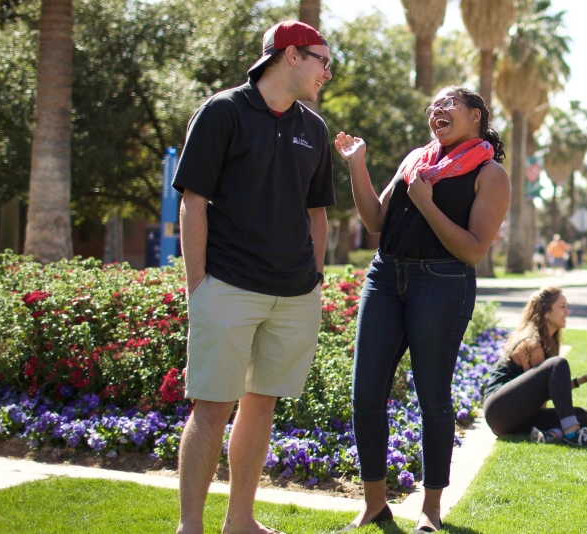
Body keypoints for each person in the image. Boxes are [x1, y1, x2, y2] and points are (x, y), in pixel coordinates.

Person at [172, 20, 334, 534]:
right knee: (212, 407)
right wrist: (198, 286)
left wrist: (316, 277)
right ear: (290, 55)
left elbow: (317, 215)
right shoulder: (222, 112)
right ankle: (190, 528)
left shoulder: (315, 128)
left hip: (294, 294)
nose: (327, 73)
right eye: (321, 61)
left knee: (260, 405)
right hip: (228, 285)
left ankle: (240, 520)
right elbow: (192, 202)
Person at [333, 86, 511, 533]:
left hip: (443, 283)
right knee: (366, 393)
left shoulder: (490, 174)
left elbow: (472, 251)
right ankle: (374, 504)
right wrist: (357, 163)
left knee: (433, 397)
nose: (437, 110)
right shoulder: (416, 160)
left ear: (476, 116)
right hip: (385, 278)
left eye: (448, 104)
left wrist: (427, 205)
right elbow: (375, 221)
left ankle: (430, 511)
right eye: (433, 106)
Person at [482, 287, 587, 445]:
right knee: (558, 364)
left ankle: (552, 434)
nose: (568, 312)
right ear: (546, 313)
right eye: (562, 307)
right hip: (498, 410)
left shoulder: (549, 341)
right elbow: (541, 396)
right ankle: (572, 435)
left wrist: (582, 380)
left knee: (585, 415)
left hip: (516, 417)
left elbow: (548, 392)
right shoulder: (532, 343)